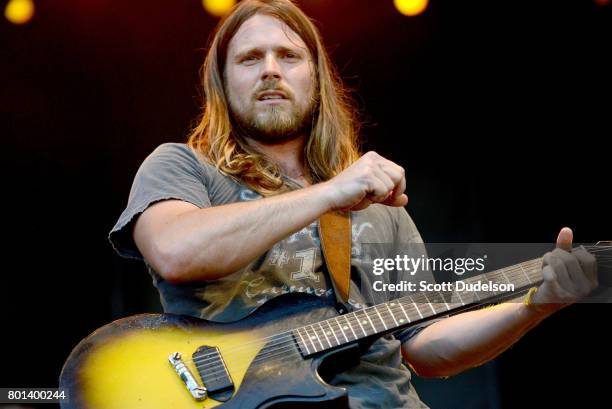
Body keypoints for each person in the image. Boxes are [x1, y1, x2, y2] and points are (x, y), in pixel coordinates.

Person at [109, 0, 598, 407]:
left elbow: (424, 347)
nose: (271, 70)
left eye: (289, 56)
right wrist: (330, 192)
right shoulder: (182, 167)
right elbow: (175, 251)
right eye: (250, 58)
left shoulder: (381, 210)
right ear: (222, 81)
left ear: (317, 78)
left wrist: (534, 308)